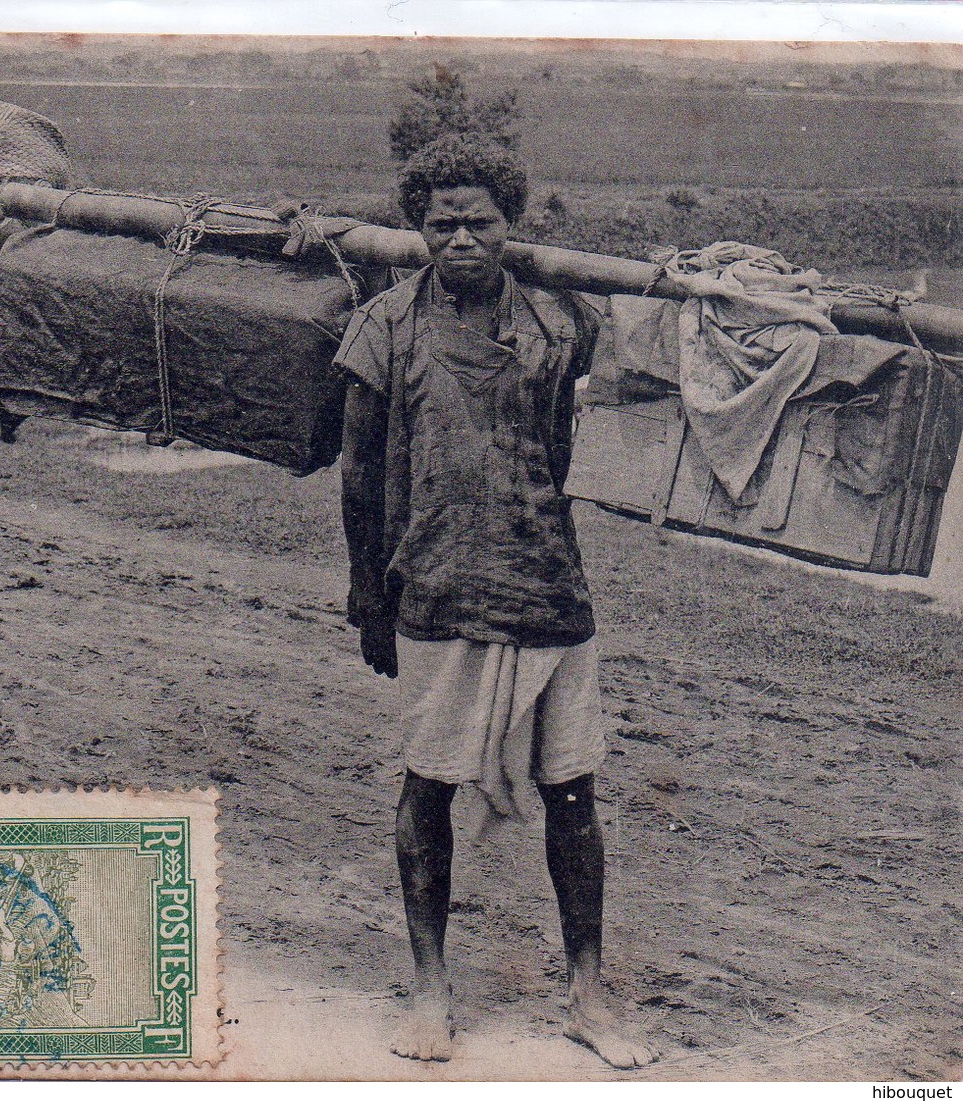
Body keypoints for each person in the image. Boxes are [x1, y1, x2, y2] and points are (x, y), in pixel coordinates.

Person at [336, 134, 659, 1069]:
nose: (462, 238)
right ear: (419, 231)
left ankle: (587, 993)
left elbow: (588, 438)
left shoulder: (558, 326)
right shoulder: (386, 327)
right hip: (433, 584)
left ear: (509, 225)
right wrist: (367, 592)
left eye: (479, 221)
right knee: (426, 783)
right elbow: (359, 473)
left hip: (549, 584)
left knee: (574, 791)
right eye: (443, 224)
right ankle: (430, 992)